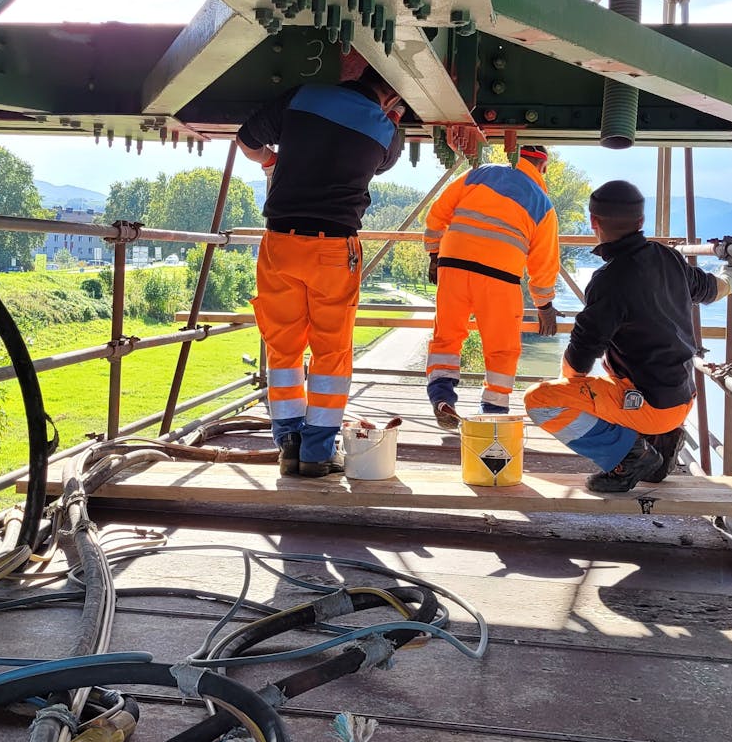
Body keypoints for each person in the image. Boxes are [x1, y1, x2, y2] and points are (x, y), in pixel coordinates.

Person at [523, 180, 732, 492]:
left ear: (593, 223)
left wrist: (569, 388)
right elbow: (709, 289)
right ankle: (661, 442)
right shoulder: (669, 257)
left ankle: (629, 456)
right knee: (615, 379)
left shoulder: (609, 281)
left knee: (540, 400)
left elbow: (581, 357)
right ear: (641, 223)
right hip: (682, 399)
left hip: (649, 407)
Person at [236, 68, 405, 477]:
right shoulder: (387, 131)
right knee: (331, 351)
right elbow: (383, 162)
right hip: (334, 248)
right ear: (392, 101)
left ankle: (288, 443)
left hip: (281, 242)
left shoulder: (304, 94)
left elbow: (246, 141)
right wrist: (391, 122)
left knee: (283, 348)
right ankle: (317, 451)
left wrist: (272, 160)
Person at [422, 145, 560, 427]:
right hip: (500, 277)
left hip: (454, 266)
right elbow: (543, 264)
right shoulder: (542, 204)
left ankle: (441, 396)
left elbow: (438, 212)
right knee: (502, 347)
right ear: (542, 168)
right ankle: (493, 413)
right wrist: (544, 305)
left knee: (447, 335)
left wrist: (434, 254)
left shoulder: (479, 174)